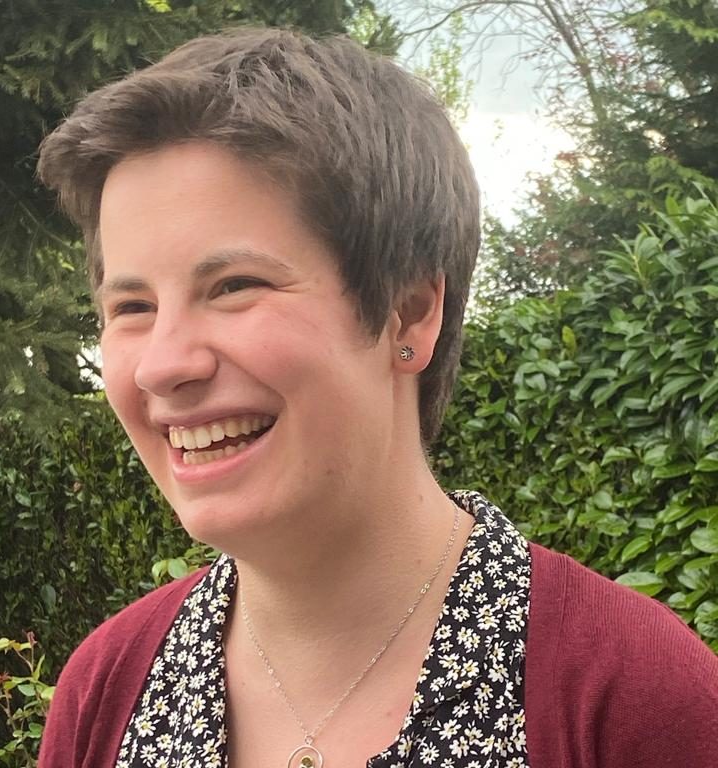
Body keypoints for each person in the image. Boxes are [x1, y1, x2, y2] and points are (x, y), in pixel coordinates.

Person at [36, 27, 718, 768]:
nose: (162, 365)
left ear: (411, 311)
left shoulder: (631, 702)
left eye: (234, 287)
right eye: (131, 307)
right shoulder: (106, 690)